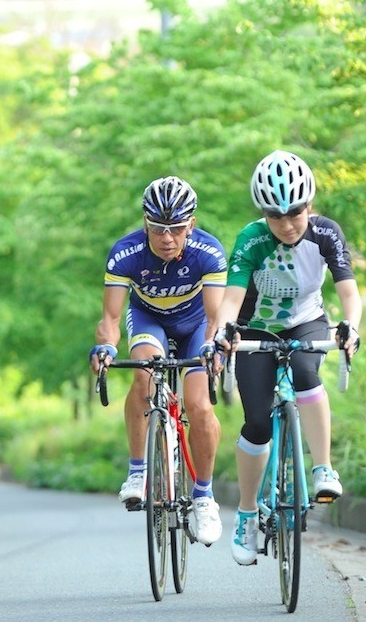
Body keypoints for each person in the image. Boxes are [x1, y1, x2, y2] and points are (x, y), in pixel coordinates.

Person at [214, 150, 362, 566]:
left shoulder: (326, 234)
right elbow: (231, 299)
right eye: (275, 216)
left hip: (306, 321)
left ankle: (323, 469)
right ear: (264, 215)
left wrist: (350, 327)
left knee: (304, 371)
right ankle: (246, 514)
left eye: (294, 212)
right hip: (255, 328)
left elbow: (348, 292)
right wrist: (225, 331)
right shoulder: (251, 239)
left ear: (309, 206)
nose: (286, 223)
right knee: (257, 421)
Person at [89, 175, 228, 546]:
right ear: (145, 223)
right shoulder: (125, 254)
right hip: (148, 318)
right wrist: (105, 348)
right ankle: (138, 470)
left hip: (196, 325)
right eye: (157, 229)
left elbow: (215, 318)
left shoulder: (209, 252)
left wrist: (214, 348)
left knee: (198, 405)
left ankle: (204, 496)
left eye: (177, 229)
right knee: (145, 376)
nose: (167, 238)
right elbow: (111, 320)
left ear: (191, 225)